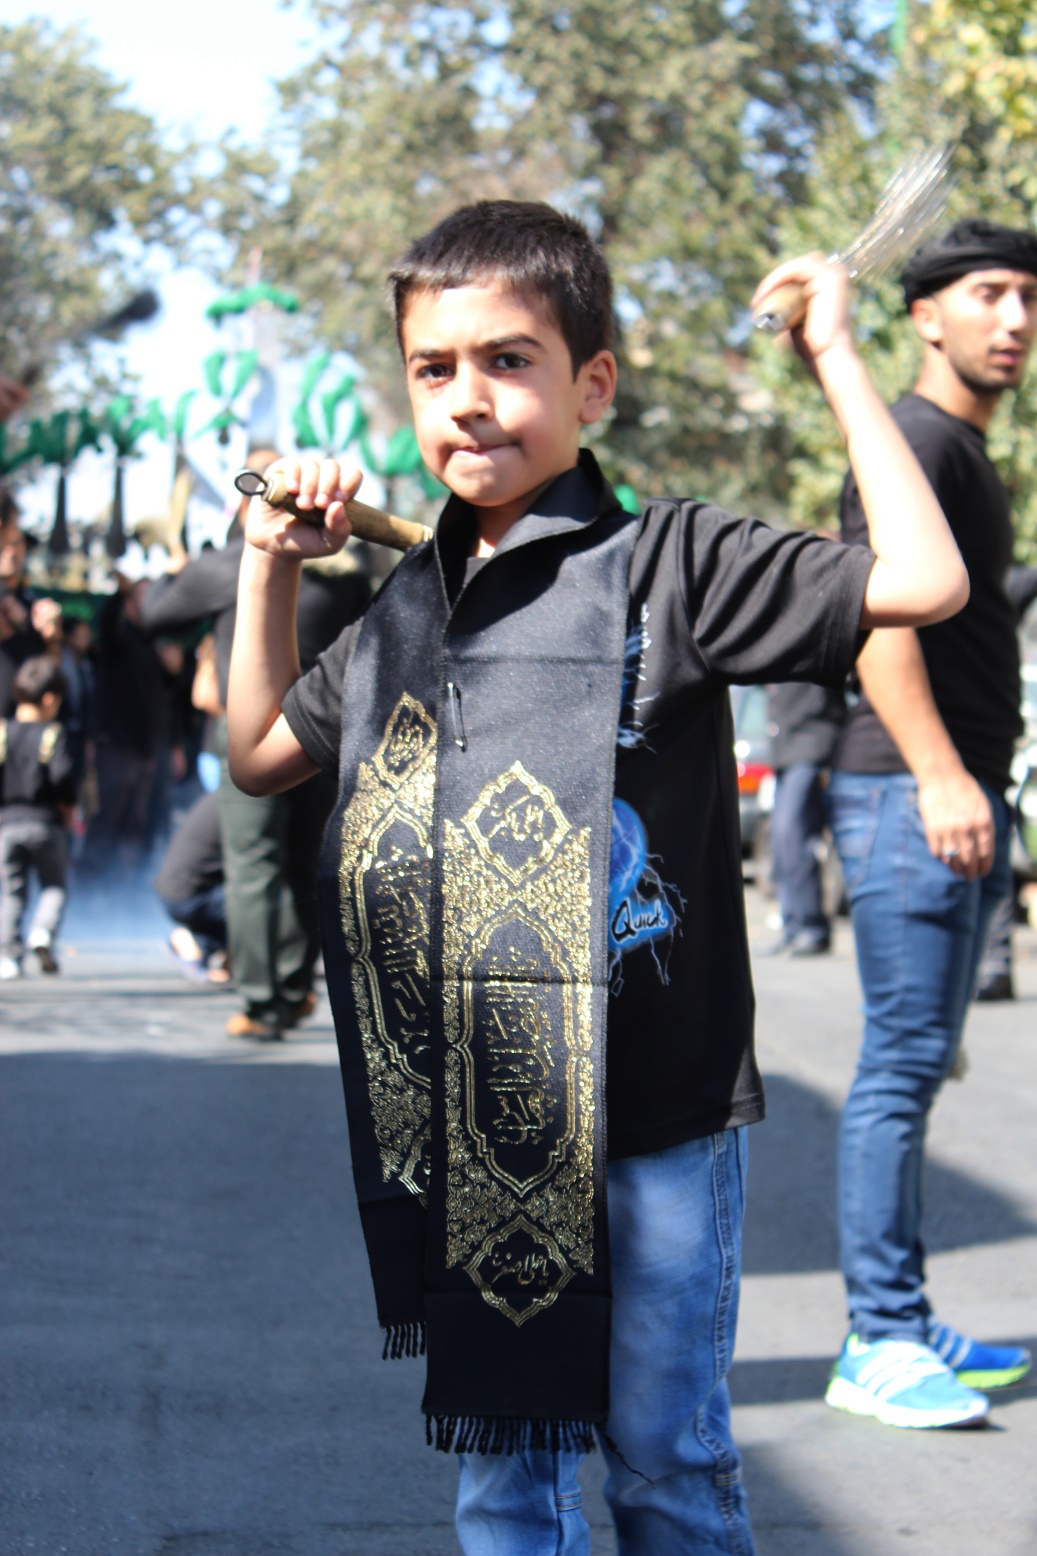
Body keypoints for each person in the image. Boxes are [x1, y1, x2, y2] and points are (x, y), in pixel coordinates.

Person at [226, 201, 967, 1554]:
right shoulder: (413, 603)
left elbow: (922, 581)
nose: (468, 399)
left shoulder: (675, 563)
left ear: (594, 384)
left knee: (666, 1462)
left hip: (661, 1113)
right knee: (504, 1484)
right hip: (487, 1125)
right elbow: (260, 751)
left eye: (509, 360)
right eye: (434, 369)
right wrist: (267, 566)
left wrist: (835, 356)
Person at [825, 219, 1037, 1432]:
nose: (1013, 320)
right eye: (987, 293)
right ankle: (879, 1336)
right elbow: (873, 618)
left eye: (1027, 299)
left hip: (947, 788)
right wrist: (941, 773)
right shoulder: (911, 439)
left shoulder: (955, 446)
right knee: (898, 1067)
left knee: (920, 1063)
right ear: (922, 316)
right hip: (909, 790)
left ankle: (904, 1312)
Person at [139, 453, 371, 1039]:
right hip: (324, 730)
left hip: (260, 731)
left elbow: (153, 614)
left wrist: (175, 569)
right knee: (302, 862)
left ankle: (265, 1001)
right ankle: (292, 991)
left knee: (253, 864)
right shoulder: (346, 569)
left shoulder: (224, 565)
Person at [0, 656, 76, 979]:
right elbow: (63, 776)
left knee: (12, 892)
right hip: (46, 822)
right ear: (49, 699)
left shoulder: (3, 733)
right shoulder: (52, 734)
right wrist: (69, 805)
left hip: (7, 824)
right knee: (54, 886)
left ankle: (8, 955)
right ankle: (43, 933)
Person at [761, 679, 845, 954]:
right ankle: (793, 925)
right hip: (785, 749)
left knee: (794, 834)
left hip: (811, 743)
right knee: (780, 842)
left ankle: (812, 927)